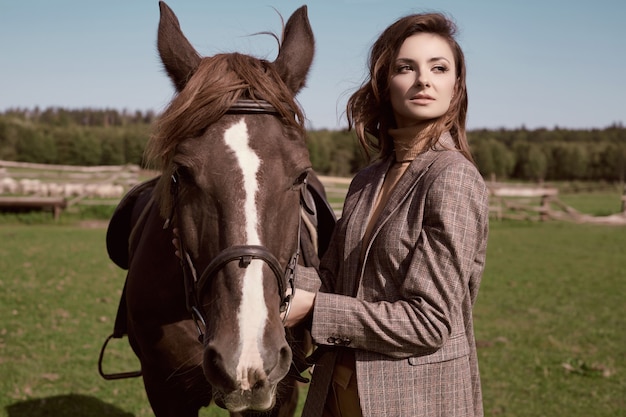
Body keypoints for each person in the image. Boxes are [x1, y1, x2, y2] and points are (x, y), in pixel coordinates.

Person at [286, 12, 490, 417]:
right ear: (386, 82)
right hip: (333, 393)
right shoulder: (367, 179)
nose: (424, 80)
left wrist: (313, 308)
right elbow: (332, 278)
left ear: (456, 85)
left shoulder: (453, 179)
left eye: (439, 67)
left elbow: (427, 323)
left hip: (409, 401)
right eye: (406, 67)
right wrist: (269, 284)